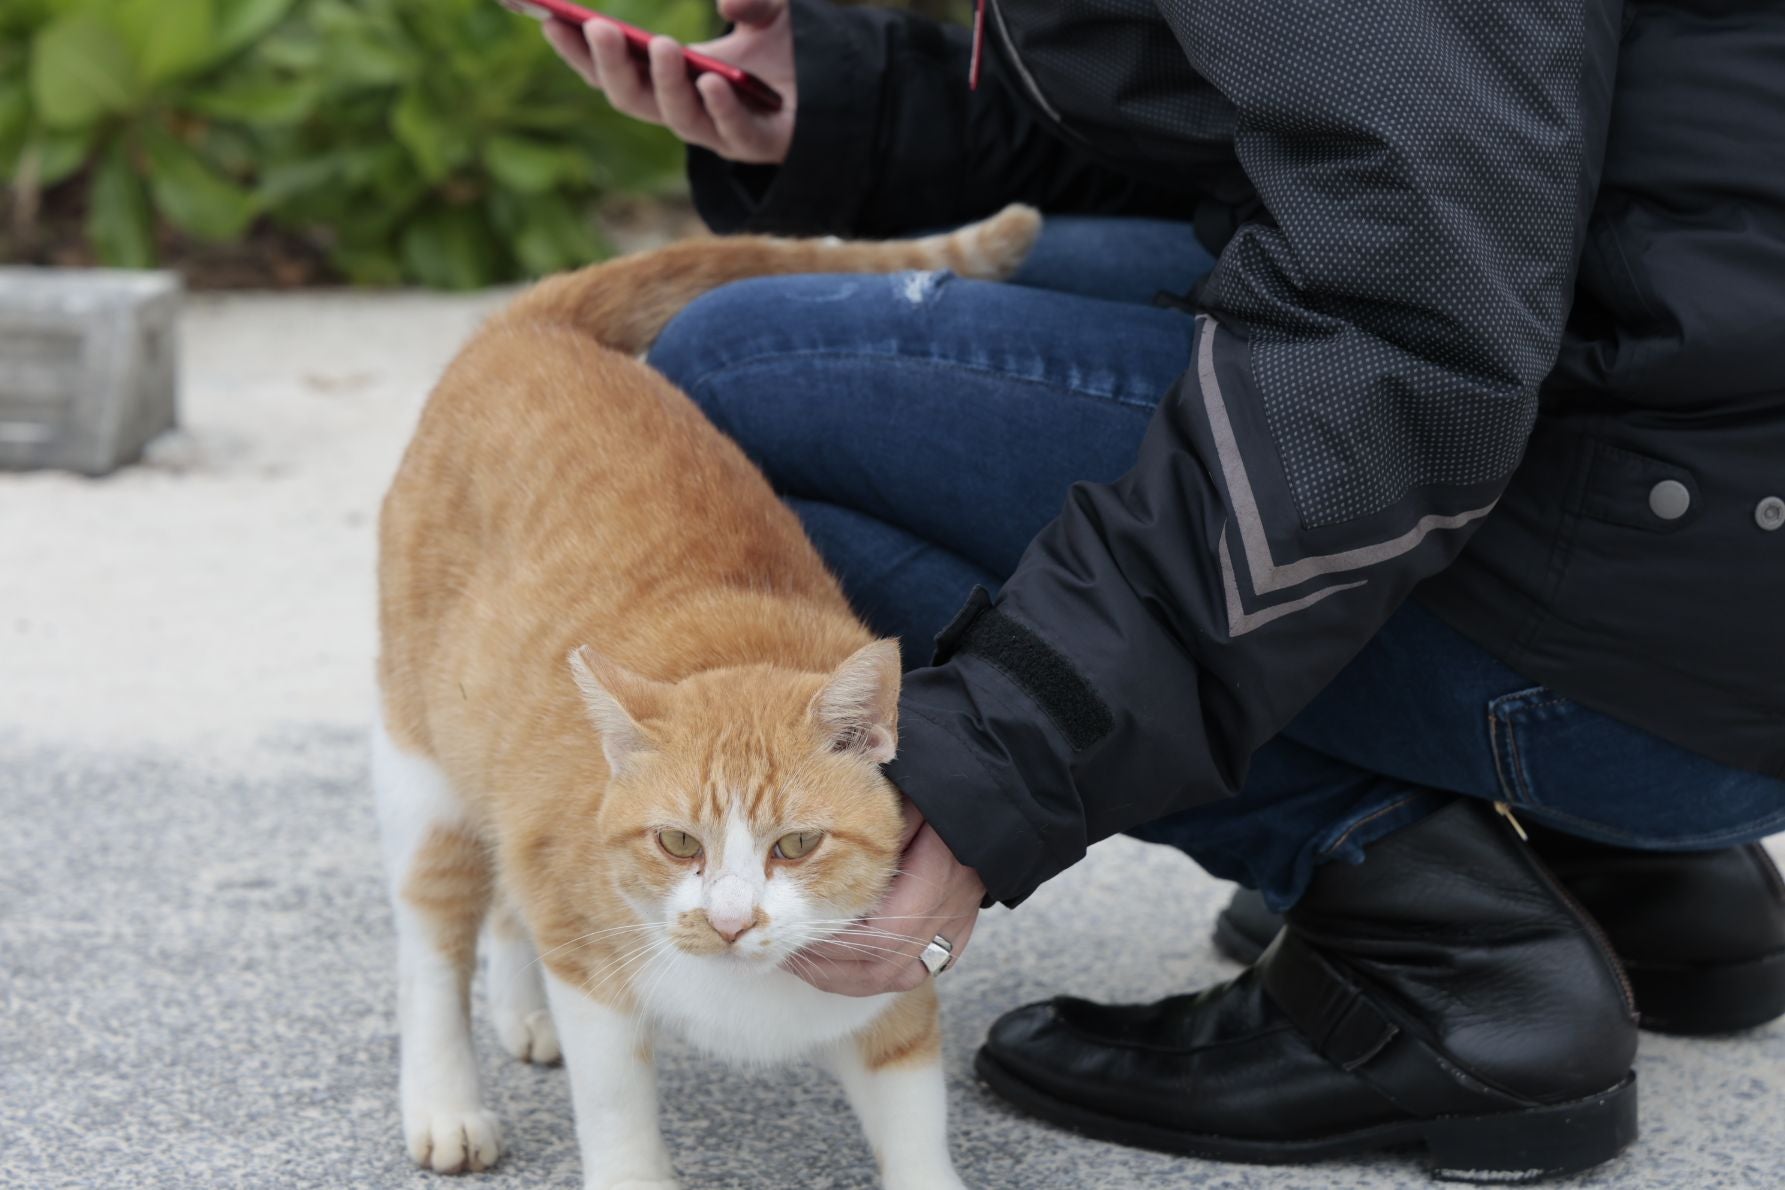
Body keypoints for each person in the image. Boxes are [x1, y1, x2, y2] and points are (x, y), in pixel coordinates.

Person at [546, 0, 1785, 1178]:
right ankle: (1624, 867)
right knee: (969, 292)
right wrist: (876, 112)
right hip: (1702, 552)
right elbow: (1340, 143)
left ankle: (1437, 937)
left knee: (745, 379)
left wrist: (1012, 751)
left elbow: (1408, 326)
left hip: (1650, 594)